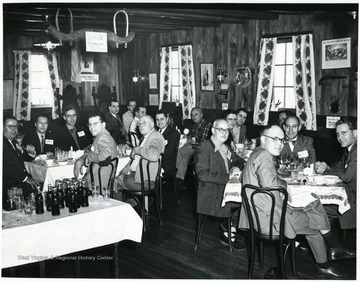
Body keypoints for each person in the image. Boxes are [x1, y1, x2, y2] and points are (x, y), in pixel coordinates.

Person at [239, 124, 353, 278]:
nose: (279, 143)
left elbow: (268, 180)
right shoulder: (263, 156)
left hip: (262, 213)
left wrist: (281, 183)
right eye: (275, 139)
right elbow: (269, 184)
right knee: (314, 224)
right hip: (269, 219)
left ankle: (332, 249)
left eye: (281, 139)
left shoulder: (257, 153)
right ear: (263, 140)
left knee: (311, 204)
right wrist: (284, 184)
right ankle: (325, 262)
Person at [195, 119, 246, 249]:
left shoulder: (224, 147)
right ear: (213, 130)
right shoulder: (204, 147)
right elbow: (202, 174)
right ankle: (230, 230)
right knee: (247, 202)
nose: (224, 133)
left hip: (223, 188)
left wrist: (236, 167)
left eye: (227, 130)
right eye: (220, 130)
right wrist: (228, 177)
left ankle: (229, 228)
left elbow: (239, 160)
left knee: (249, 196)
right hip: (211, 194)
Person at [315, 117, 357, 231]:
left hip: (354, 202)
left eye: (344, 133)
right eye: (338, 134)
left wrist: (324, 171)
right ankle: (332, 246)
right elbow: (341, 165)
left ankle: (335, 247)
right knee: (317, 209)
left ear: (355, 132)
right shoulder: (350, 148)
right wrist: (327, 167)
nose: (340, 138)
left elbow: (347, 176)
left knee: (318, 211)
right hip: (349, 197)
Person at [117, 115, 165, 197]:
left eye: (144, 123)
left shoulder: (156, 136)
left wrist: (136, 149)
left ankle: (128, 207)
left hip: (146, 180)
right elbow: (134, 160)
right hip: (139, 176)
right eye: (139, 123)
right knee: (116, 179)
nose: (141, 125)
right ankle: (132, 205)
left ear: (152, 124)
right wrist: (123, 172)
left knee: (112, 184)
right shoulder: (145, 138)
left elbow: (154, 155)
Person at [73, 112, 118, 190]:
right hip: (97, 180)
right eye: (90, 124)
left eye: (95, 124)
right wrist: (81, 159)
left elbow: (105, 158)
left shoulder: (103, 138)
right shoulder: (101, 136)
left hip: (98, 184)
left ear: (103, 124)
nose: (92, 127)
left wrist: (89, 156)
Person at [3, 116, 40, 207]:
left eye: (15, 126)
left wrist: (31, 152)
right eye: (10, 126)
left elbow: (24, 156)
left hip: (18, 180)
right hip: (9, 184)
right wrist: (25, 179)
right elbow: (6, 167)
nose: (13, 129)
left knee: (40, 186)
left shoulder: (13, 142)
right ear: (2, 127)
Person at [175, 107, 212, 187]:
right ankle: (179, 179)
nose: (194, 117)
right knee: (183, 155)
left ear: (201, 115)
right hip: (196, 148)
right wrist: (189, 140)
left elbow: (202, 143)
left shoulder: (206, 125)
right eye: (192, 115)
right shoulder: (195, 125)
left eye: (196, 114)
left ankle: (177, 177)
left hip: (204, 151)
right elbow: (194, 139)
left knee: (182, 151)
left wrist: (191, 145)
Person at [155, 110, 180, 178]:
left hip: (166, 165)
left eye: (162, 119)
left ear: (167, 119)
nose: (159, 122)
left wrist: (153, 154)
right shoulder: (154, 132)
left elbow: (169, 152)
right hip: (155, 161)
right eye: (157, 119)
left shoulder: (174, 133)